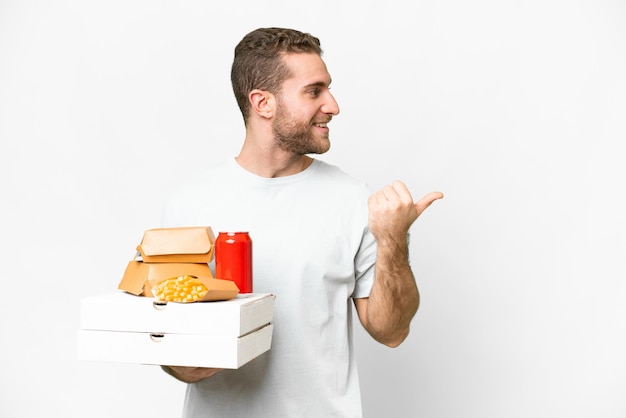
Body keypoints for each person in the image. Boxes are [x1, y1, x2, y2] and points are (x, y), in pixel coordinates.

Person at [160, 27, 443, 418]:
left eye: (328, 89)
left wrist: (393, 239)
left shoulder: (353, 199)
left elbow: (391, 332)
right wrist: (183, 362)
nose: (333, 105)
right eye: (314, 91)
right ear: (263, 103)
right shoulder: (190, 204)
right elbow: (171, 345)